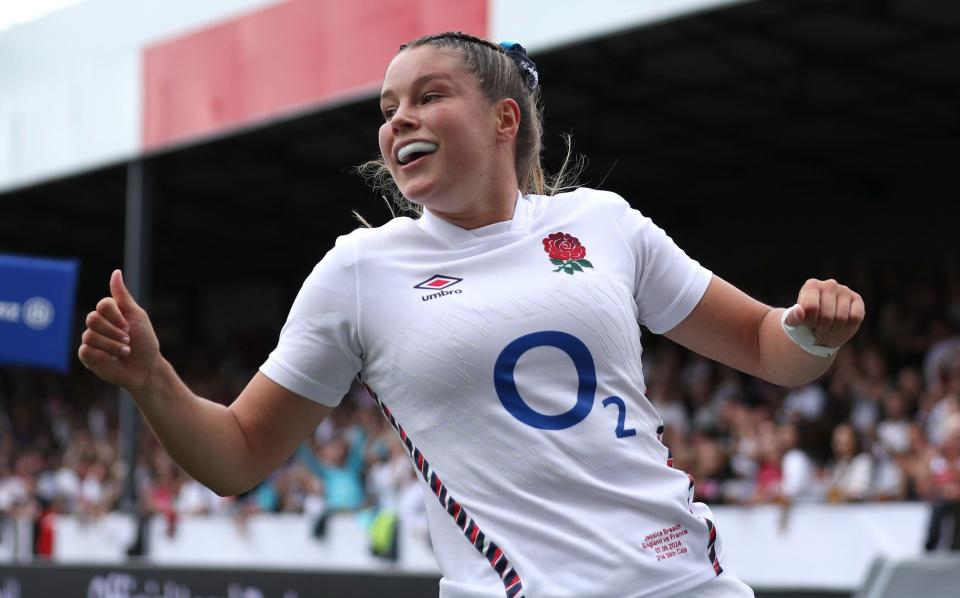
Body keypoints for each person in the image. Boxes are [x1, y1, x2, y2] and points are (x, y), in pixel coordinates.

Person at [78, 31, 865, 598]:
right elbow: (237, 457)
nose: (398, 121)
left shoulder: (604, 222)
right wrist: (152, 379)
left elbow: (768, 348)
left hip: (683, 583)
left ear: (503, 119)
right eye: (388, 109)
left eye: (428, 96)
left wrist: (809, 331)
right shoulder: (358, 272)